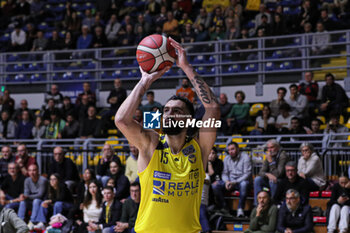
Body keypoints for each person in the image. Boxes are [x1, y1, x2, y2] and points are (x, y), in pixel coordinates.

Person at [115, 37, 220, 233]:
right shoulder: (150, 144)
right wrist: (145, 82)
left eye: (177, 111)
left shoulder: (200, 146)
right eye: (167, 110)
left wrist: (185, 67)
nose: (170, 114)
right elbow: (121, 120)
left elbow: (212, 107)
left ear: (189, 120)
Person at [212, 142, 251, 217]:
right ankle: (224, 207)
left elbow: (247, 174)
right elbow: (224, 173)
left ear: (238, 149)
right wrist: (227, 181)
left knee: (244, 184)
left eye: (232, 149)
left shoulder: (245, 157)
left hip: (241, 181)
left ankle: (240, 209)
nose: (230, 151)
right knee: (215, 185)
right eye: (229, 150)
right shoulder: (226, 158)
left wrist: (234, 182)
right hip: (230, 182)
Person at [254, 139, 289, 205]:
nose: (269, 150)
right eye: (268, 148)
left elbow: (279, 174)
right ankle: (257, 205)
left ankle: (273, 205)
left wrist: (271, 162)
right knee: (257, 179)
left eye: (272, 147)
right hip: (271, 179)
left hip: (282, 180)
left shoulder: (283, 155)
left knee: (272, 180)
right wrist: (268, 174)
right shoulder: (269, 155)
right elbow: (261, 172)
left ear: (277, 147)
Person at [18, 164, 48, 229]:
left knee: (36, 201)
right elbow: (26, 193)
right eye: (30, 170)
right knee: (22, 202)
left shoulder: (43, 180)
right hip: (30, 201)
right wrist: (24, 196)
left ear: (38, 171)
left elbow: (40, 195)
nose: (32, 172)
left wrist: (27, 196)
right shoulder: (27, 180)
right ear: (28, 172)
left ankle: (33, 222)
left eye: (34, 170)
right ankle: (19, 222)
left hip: (41, 201)